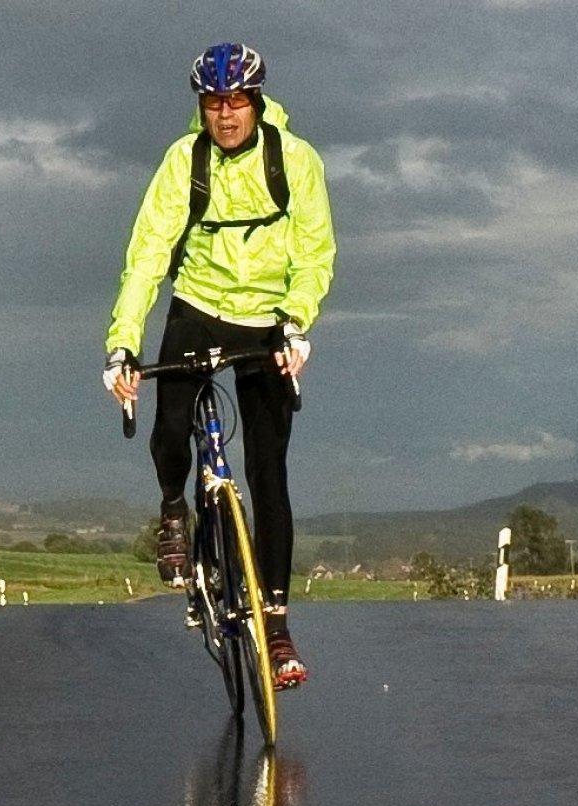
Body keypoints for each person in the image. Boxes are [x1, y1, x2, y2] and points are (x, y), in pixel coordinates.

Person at [103, 41, 334, 689]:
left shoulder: (295, 160)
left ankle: (277, 628)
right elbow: (147, 256)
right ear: (201, 107)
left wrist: (297, 322)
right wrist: (122, 343)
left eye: (235, 102)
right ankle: (174, 508)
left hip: (268, 317)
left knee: (268, 473)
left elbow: (314, 253)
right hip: (199, 305)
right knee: (170, 425)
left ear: (256, 102)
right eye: (213, 103)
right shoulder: (185, 161)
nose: (225, 115)